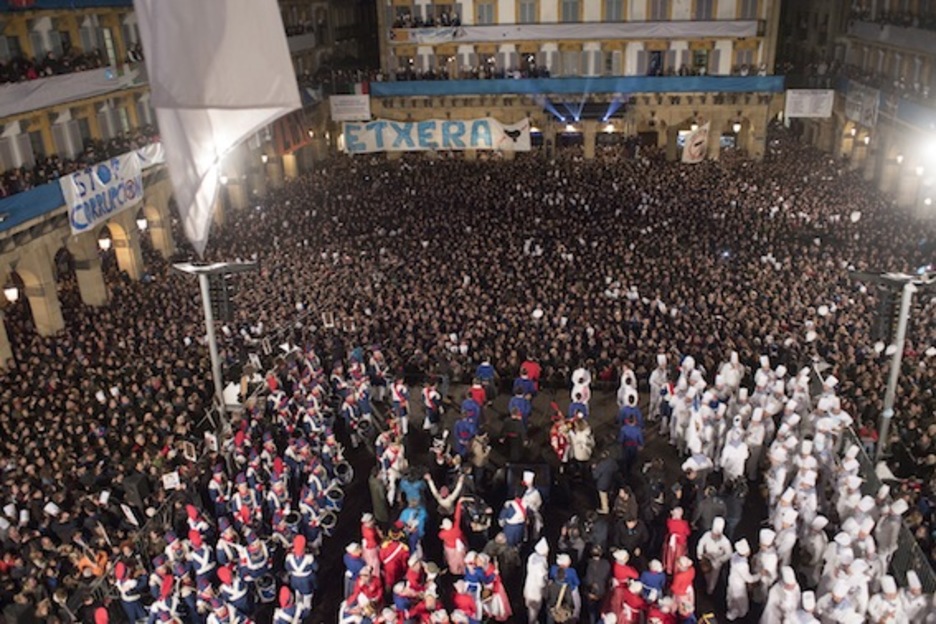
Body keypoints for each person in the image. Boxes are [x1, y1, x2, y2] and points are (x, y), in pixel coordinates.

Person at [695, 517, 732, 594]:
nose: (714, 536)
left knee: (713, 578)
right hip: (706, 558)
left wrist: (720, 559)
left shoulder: (725, 541)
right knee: (706, 575)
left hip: (717, 562)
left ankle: (710, 591)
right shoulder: (707, 535)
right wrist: (700, 555)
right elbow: (700, 544)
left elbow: (729, 553)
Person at [726, 539, 757, 621]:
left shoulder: (735, 555)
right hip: (738, 585)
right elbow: (749, 579)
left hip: (732, 580)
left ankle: (731, 612)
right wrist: (759, 575)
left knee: (732, 598)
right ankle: (737, 615)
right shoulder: (742, 565)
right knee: (739, 601)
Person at [524, 538, 550, 624]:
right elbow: (541, 579)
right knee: (534, 610)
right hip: (535, 589)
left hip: (529, 584)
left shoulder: (532, 556)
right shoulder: (541, 564)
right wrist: (545, 586)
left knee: (530, 608)